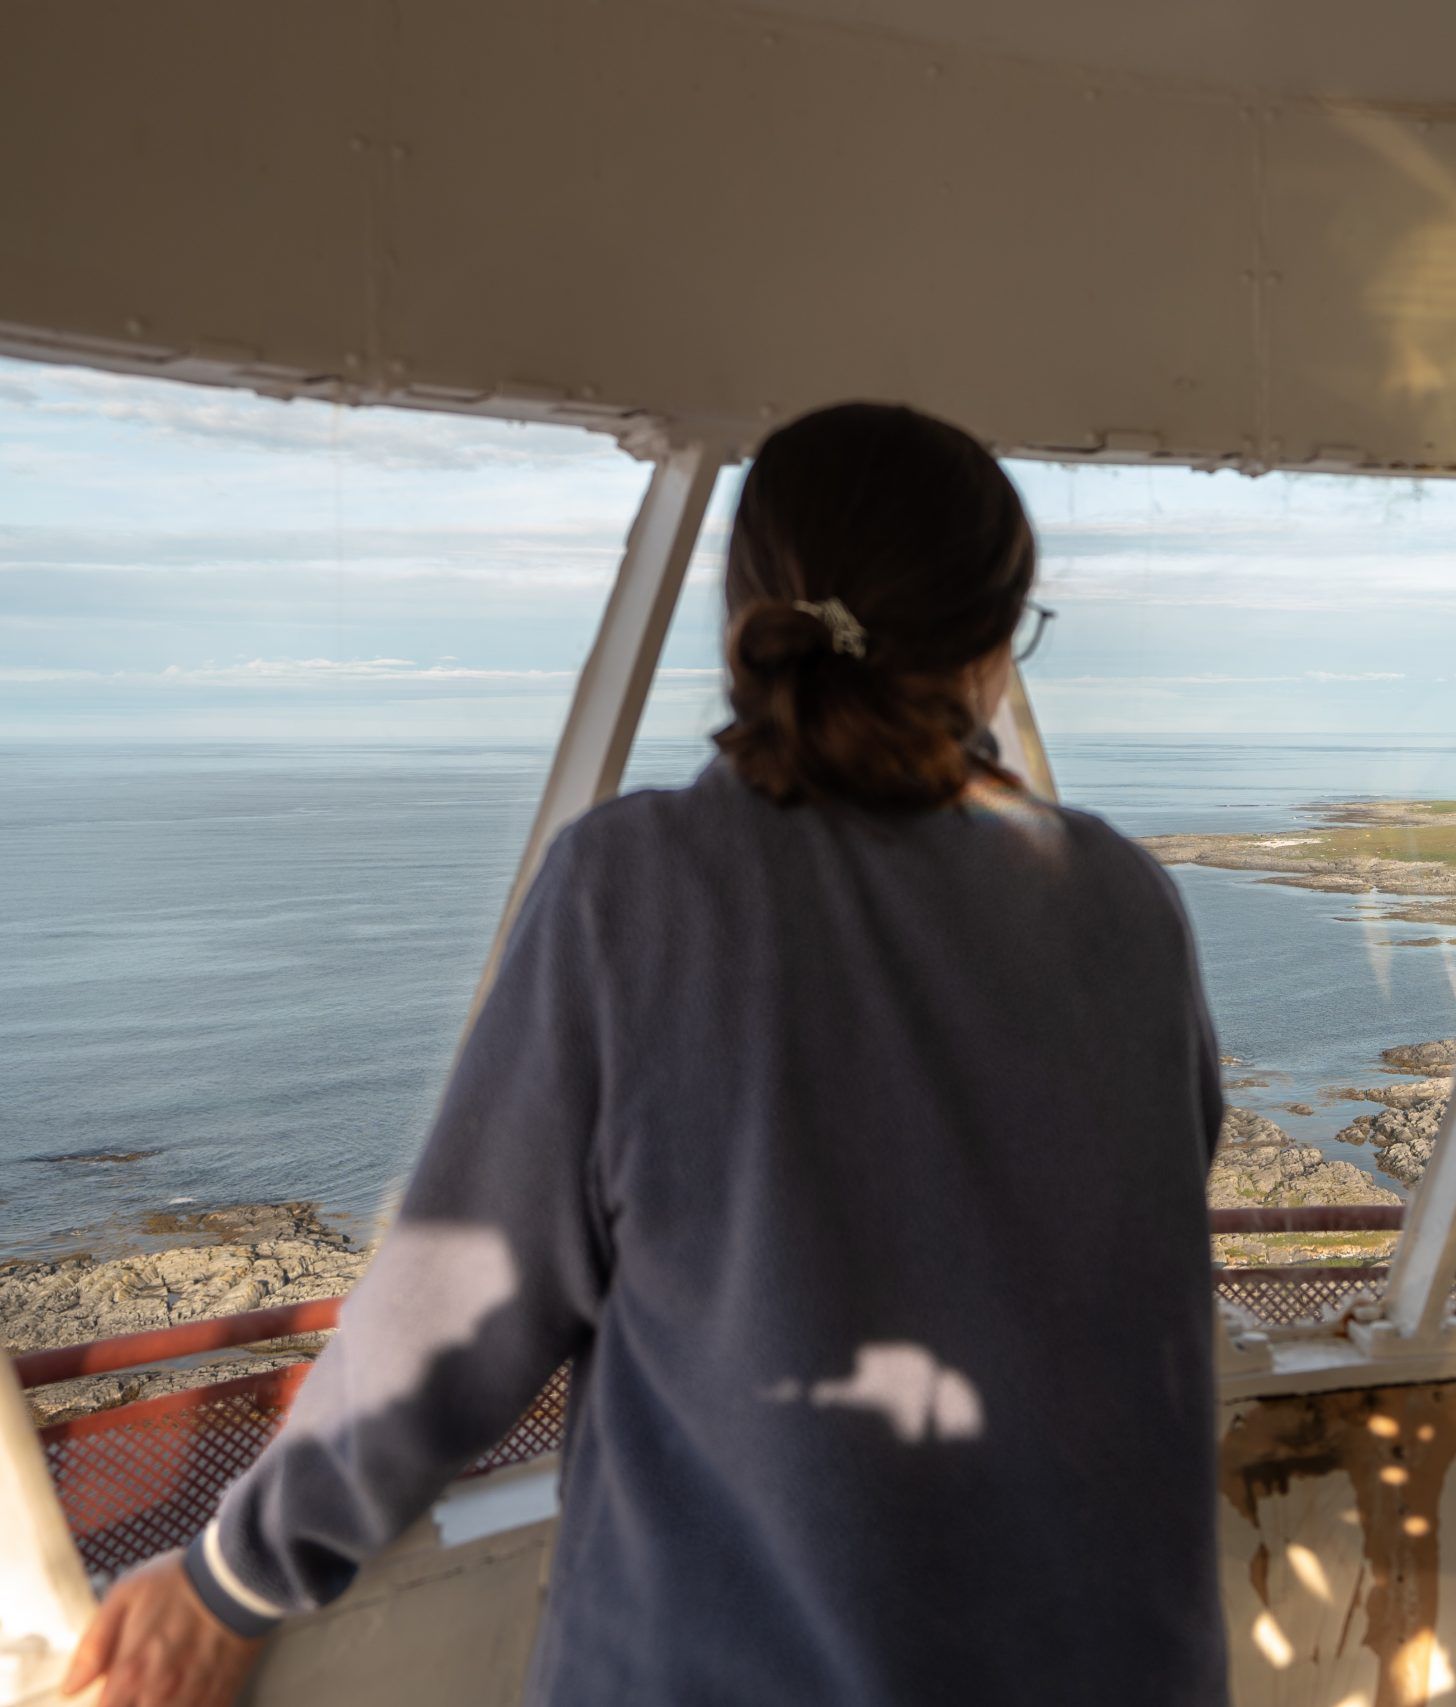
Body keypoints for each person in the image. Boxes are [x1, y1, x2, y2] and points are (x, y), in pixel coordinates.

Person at [66, 403, 1233, 1706]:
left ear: (751, 620)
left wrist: (235, 1575)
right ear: (990, 648)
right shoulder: (1125, 904)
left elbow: (451, 1315)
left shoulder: (636, 890)